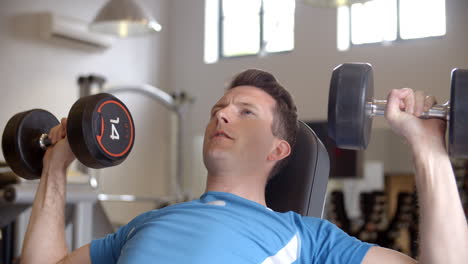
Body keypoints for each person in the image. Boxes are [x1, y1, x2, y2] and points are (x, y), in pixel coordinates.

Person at [20, 69, 467, 263]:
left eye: (246, 112)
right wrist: (56, 167)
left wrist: (428, 149)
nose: (222, 114)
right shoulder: (148, 223)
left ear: (278, 150)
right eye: (220, 107)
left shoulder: (304, 238)